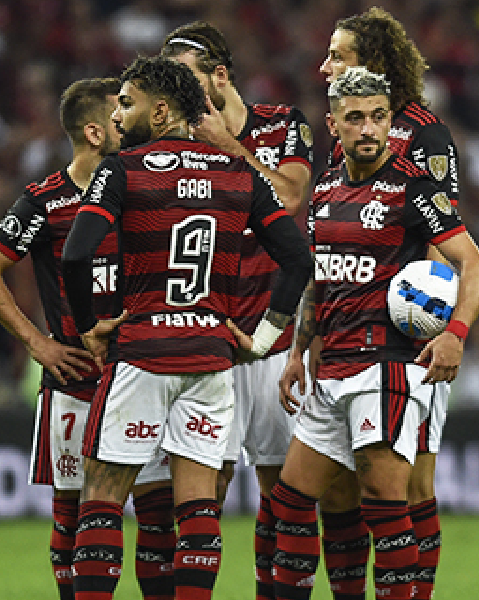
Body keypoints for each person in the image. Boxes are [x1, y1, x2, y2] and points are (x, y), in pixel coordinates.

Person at [60, 55, 313, 600]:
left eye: (126, 103)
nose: (118, 114)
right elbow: (298, 260)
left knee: (101, 500)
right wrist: (266, 339)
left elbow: (76, 256)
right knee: (197, 507)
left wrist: (89, 327)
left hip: (144, 352)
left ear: (161, 111)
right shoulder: (239, 173)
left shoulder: (122, 171)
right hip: (211, 357)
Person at [269, 66, 479, 600]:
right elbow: (321, 280)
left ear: (390, 122)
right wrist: (299, 350)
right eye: (355, 119)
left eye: (377, 118)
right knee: (291, 501)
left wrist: (455, 333)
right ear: (333, 124)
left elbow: (475, 266)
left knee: (383, 500)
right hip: (332, 367)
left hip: (387, 367)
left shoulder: (414, 187)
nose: (367, 129)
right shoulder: (324, 190)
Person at [0, 77, 176, 600]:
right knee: (73, 514)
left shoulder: (140, 188)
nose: (128, 119)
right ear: (94, 132)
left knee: (156, 514)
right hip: (76, 378)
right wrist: (38, 342)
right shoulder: (43, 202)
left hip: (140, 370)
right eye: (119, 112)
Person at [160, 22, 316, 599]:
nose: (178, 99)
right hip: (211, 341)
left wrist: (232, 150)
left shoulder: (282, 126)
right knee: (204, 496)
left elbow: (292, 196)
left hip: (275, 339)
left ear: (220, 76)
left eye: (188, 83)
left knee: (284, 494)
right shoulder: (174, 137)